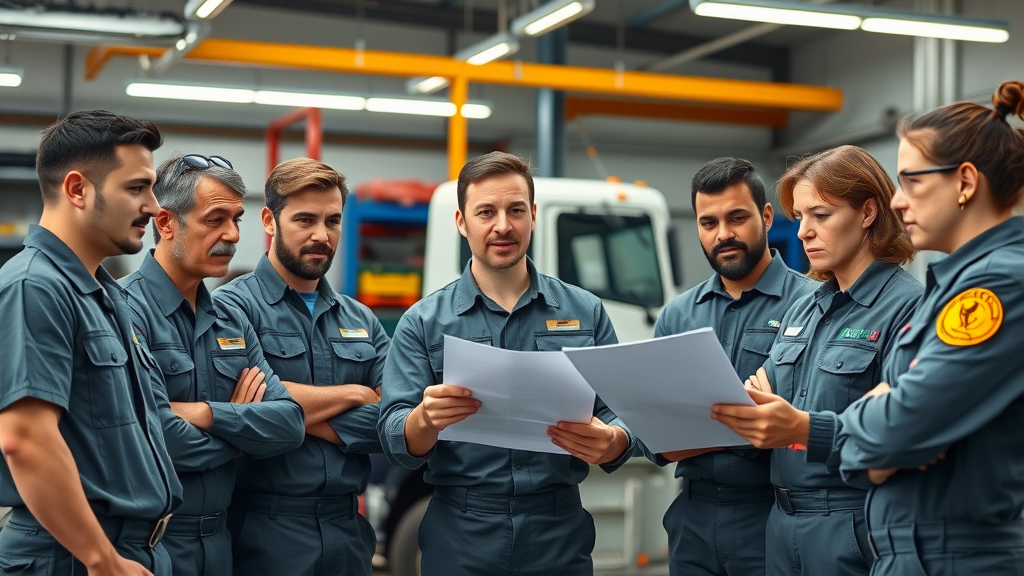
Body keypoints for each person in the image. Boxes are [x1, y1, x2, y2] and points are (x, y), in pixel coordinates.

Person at [377, 151, 636, 576]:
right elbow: (392, 432)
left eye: (516, 210)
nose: (503, 225)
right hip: (461, 531)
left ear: (532, 215)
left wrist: (615, 440)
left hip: (558, 530)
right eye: (486, 212)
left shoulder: (586, 312)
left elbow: (624, 410)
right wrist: (424, 419)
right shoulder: (423, 323)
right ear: (462, 222)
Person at [805, 81, 1024, 576]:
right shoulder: (950, 286)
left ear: (965, 181)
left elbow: (900, 428)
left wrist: (879, 430)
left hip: (958, 556)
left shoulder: (997, 286)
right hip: (916, 551)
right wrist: (884, 425)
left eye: (912, 181)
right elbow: (897, 425)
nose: (898, 202)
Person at [710, 145, 922, 576]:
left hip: (853, 521)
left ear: (867, 213)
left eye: (820, 215)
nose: (804, 231)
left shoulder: (909, 308)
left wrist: (793, 421)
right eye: (800, 217)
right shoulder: (805, 308)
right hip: (781, 520)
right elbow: (760, 392)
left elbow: (897, 431)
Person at [0, 110, 182, 575]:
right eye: (137, 188)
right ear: (78, 189)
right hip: (75, 555)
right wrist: (103, 560)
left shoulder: (105, 294)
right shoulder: (35, 287)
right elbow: (24, 439)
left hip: (125, 550)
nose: (155, 206)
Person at [120, 153, 305, 576]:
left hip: (222, 544)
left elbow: (291, 423)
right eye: (216, 219)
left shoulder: (231, 318)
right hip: (150, 544)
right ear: (165, 223)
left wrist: (206, 414)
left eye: (237, 219)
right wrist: (241, 434)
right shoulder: (122, 311)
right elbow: (154, 437)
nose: (233, 235)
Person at [640, 157, 818, 576]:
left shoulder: (812, 305)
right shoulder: (678, 315)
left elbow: (811, 420)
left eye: (737, 217)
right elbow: (654, 432)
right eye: (708, 223)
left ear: (767, 216)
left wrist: (701, 428)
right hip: (693, 516)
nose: (723, 235)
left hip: (772, 513)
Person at [215, 158, 388, 576]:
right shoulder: (230, 309)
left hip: (347, 531)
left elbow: (392, 417)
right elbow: (233, 413)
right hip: (261, 532)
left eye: (332, 221)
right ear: (269, 221)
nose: (321, 235)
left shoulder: (361, 320)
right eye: (305, 220)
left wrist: (278, 412)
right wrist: (354, 394)